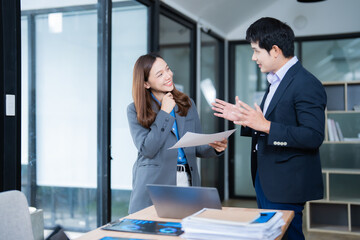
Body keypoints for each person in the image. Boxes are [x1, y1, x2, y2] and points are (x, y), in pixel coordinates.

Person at [212, 17, 326, 240]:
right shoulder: (275, 81)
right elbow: (270, 124)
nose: (253, 57)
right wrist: (246, 120)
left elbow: (313, 136)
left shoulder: (305, 83)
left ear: (275, 50)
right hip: (266, 180)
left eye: (256, 51)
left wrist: (264, 124)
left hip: (286, 184)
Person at [127, 53, 228, 214]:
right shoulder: (135, 110)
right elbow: (148, 149)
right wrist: (164, 113)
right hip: (154, 183)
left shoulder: (186, 104)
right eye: (160, 74)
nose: (168, 76)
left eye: (167, 69)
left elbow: (196, 146)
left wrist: (214, 147)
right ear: (146, 83)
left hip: (187, 180)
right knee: (154, 233)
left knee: (184, 230)